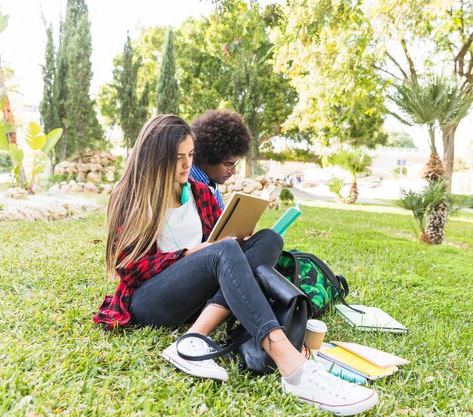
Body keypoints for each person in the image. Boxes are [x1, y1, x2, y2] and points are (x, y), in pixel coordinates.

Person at [93, 115, 378, 415]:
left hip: (196, 298)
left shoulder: (199, 193)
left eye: (190, 155)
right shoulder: (131, 198)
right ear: (153, 158)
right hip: (149, 301)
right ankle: (293, 367)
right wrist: (193, 253)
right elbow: (129, 267)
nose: (186, 164)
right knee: (224, 250)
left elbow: (219, 246)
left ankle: (194, 338)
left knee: (268, 240)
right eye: (177, 158)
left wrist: (240, 239)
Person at [189, 110, 250, 209]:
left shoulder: (210, 183)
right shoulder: (187, 184)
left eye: (235, 164)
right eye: (228, 164)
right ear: (208, 157)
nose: (233, 171)